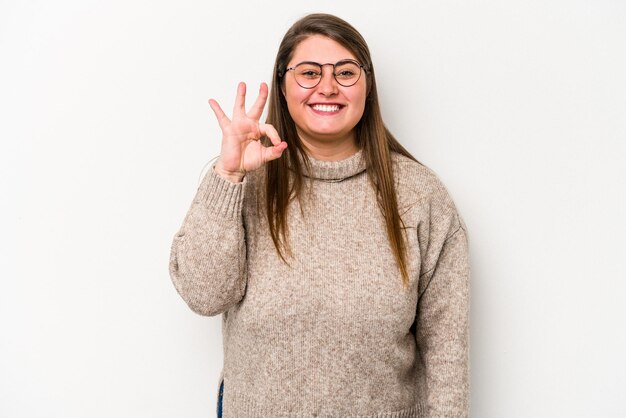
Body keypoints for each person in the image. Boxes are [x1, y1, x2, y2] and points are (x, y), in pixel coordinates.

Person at [169, 13, 470, 418]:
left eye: (345, 72)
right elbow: (204, 296)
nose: (327, 87)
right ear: (282, 84)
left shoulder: (421, 197)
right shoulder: (245, 182)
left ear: (367, 85)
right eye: (309, 73)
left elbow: (446, 352)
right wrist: (228, 175)